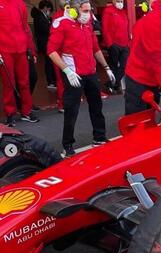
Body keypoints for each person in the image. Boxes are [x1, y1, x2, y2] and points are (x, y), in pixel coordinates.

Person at [48, 0, 116, 156]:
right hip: (74, 75)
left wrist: (106, 67)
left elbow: (95, 48)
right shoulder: (62, 24)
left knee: (97, 107)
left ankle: (99, 137)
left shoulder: (87, 24)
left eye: (89, 10)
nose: (89, 14)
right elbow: (51, 51)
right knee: (72, 111)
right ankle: (67, 145)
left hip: (90, 72)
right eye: (85, 11)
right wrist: (67, 71)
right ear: (74, 11)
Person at [0, 0, 40, 127]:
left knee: (25, 82)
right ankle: (10, 114)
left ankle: (26, 112)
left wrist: (32, 50)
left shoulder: (20, 3)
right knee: (8, 83)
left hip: (21, 49)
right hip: (4, 50)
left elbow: (25, 27)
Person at [102, 0, 130, 93]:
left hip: (124, 44)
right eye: (118, 1)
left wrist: (128, 42)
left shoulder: (123, 12)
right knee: (113, 66)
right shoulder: (108, 11)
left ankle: (112, 83)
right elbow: (105, 27)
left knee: (124, 66)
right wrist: (110, 43)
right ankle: (115, 85)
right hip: (114, 44)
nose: (120, 2)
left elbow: (127, 27)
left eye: (121, 1)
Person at [31, 0, 56, 88]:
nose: (49, 11)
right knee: (49, 62)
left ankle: (52, 80)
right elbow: (46, 29)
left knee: (50, 62)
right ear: (45, 8)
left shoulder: (44, 17)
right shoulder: (39, 17)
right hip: (44, 43)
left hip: (46, 42)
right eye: (49, 9)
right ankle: (50, 81)